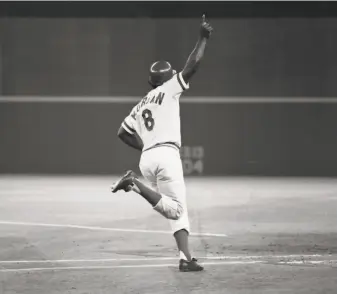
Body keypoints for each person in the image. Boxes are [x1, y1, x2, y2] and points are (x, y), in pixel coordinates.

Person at [111, 15, 213, 272]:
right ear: (168, 79)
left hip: (148, 158)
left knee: (176, 208)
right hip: (166, 156)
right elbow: (193, 65)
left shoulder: (141, 103)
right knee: (176, 210)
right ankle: (133, 183)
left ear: (149, 81)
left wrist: (145, 145)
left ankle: (186, 258)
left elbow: (122, 133)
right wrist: (202, 38)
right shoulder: (169, 89)